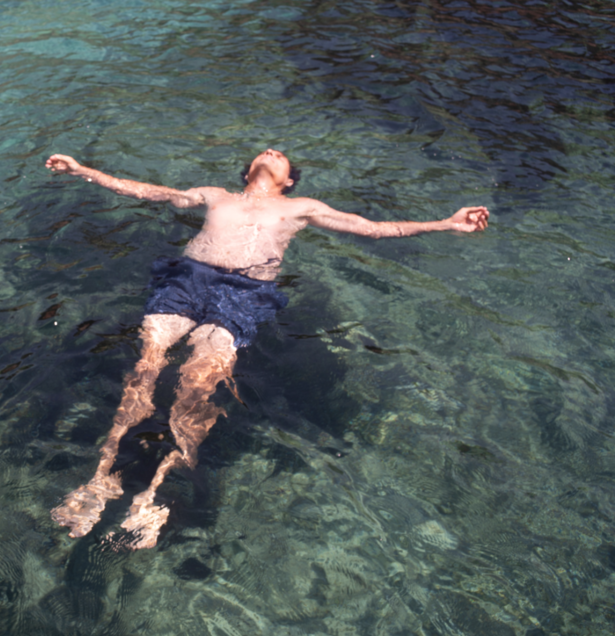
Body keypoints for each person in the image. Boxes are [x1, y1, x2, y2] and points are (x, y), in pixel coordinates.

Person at [45, 149, 489, 549]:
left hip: (244, 294)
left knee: (196, 388)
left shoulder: (301, 207)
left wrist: (446, 223)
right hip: (187, 280)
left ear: (290, 179)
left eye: (281, 156)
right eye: (265, 149)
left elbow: (373, 228)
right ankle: (99, 481)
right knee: (145, 369)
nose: (272, 150)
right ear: (248, 169)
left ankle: (151, 495)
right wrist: (84, 170)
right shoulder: (216, 194)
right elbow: (153, 192)